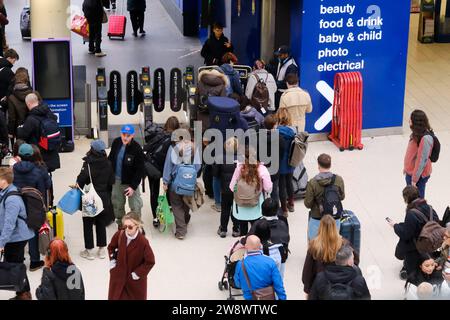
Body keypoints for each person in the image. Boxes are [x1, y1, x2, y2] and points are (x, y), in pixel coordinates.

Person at [388, 186, 439, 279]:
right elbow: (436, 223)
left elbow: (406, 234)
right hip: (430, 242)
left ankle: (409, 267)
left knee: (405, 241)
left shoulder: (411, 213)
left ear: (406, 198)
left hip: (416, 244)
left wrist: (395, 226)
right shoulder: (430, 208)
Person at [302, 215, 360, 298]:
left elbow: (307, 272)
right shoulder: (343, 243)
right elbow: (356, 261)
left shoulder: (314, 246)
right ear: (334, 227)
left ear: (320, 227)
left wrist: (308, 290)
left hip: (320, 288)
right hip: (341, 287)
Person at [13, 143, 50, 271]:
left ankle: (18, 259)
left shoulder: (14, 169)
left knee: (18, 228)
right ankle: (34, 261)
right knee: (33, 230)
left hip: (17, 202)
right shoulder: (38, 171)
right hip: (33, 204)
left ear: (20, 156)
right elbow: (42, 189)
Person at [77, 140, 115, 260]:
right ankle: (102, 249)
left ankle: (89, 250)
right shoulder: (108, 163)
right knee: (101, 223)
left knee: (88, 223)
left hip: (90, 198)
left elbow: (80, 181)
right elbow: (111, 182)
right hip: (103, 198)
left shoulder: (88, 164)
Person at [0, 167, 34, 300]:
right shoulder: (7, 191)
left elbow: (9, 224)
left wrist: (2, 243)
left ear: (4, 180)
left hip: (17, 238)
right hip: (14, 237)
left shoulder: (12, 199)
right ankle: (23, 293)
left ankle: (24, 294)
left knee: (16, 267)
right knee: (16, 265)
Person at [162, 132, 201, 239]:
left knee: (176, 205)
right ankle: (185, 219)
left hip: (175, 183)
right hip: (189, 182)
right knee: (186, 203)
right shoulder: (194, 149)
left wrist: (165, 181)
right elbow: (198, 167)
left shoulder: (173, 149)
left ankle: (181, 231)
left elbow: (168, 166)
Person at [108, 212, 155, 300]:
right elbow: (111, 247)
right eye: (125, 226)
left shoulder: (143, 242)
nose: (127, 229)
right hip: (118, 278)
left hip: (134, 283)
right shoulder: (119, 235)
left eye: (130, 227)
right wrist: (112, 262)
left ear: (137, 226)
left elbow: (150, 261)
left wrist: (137, 274)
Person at [144, 116, 179, 228]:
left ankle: (156, 217)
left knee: (153, 193)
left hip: (153, 167)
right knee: (168, 191)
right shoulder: (176, 139)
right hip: (167, 169)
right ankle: (168, 211)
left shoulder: (158, 135)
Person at [108, 125, 145, 228]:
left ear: (132, 135)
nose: (125, 137)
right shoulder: (116, 142)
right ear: (121, 134)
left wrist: (133, 187)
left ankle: (136, 225)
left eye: (128, 135)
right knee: (117, 205)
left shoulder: (137, 148)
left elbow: (140, 170)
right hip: (117, 181)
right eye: (124, 135)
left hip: (131, 183)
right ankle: (121, 225)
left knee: (135, 206)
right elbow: (110, 159)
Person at [229, 146, 272, 236]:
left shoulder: (239, 169)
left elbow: (232, 187)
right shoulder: (262, 169)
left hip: (240, 207)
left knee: (243, 230)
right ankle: (254, 246)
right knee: (256, 230)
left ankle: (244, 245)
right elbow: (268, 188)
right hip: (256, 206)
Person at [16, 93, 61, 173]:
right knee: (47, 179)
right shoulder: (48, 112)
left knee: (39, 179)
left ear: (28, 104)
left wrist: (19, 128)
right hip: (51, 153)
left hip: (39, 156)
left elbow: (22, 135)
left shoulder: (31, 119)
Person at [304, 153, 345, 241]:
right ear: (330, 165)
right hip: (334, 218)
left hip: (318, 217)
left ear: (318, 165)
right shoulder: (338, 179)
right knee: (333, 243)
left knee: (314, 244)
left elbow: (308, 204)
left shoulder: (313, 182)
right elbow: (342, 197)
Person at [233, 235, 286, 300]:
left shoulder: (240, 264)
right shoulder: (270, 262)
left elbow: (237, 284)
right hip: (268, 296)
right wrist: (282, 298)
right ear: (260, 245)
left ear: (246, 246)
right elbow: (278, 284)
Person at [249, 198, 290, 267]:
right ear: (277, 210)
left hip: (263, 256)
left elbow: (250, 239)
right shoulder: (283, 220)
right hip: (280, 254)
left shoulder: (258, 223)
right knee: (279, 276)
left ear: (262, 211)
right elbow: (286, 237)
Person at [213, 137, 240, 238]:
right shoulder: (241, 159)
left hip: (225, 188)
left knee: (225, 209)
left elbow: (215, 174)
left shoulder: (220, 158)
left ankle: (223, 229)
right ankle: (236, 229)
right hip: (237, 189)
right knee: (236, 209)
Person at [404, 110, 434, 198]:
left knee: (417, 201)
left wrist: (414, 179)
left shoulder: (425, 139)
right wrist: (406, 168)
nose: (409, 121)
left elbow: (422, 161)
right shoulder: (416, 134)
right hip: (411, 173)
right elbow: (412, 153)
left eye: (410, 120)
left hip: (418, 176)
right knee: (411, 199)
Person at [276, 109, 296, 216]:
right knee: (289, 182)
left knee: (281, 185)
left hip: (280, 162)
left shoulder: (276, 132)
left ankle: (284, 209)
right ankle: (291, 203)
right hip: (291, 161)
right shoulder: (292, 132)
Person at [7, 70, 32, 143]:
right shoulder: (33, 94)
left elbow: (12, 118)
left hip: (19, 129)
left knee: (21, 150)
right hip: (33, 126)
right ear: (26, 81)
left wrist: (11, 132)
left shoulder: (11, 97)